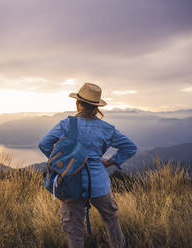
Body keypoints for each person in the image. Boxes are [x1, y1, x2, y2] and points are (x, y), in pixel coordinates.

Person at [38, 83, 137, 248]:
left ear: (78, 103)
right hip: (99, 183)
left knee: (74, 228)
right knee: (111, 219)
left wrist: (61, 165)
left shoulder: (67, 124)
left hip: (71, 183)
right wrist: (112, 161)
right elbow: (130, 147)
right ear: (96, 107)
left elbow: (44, 144)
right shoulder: (106, 128)